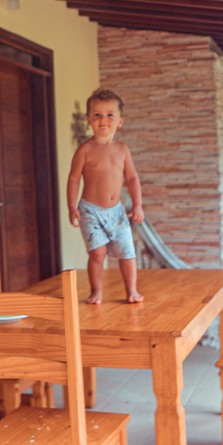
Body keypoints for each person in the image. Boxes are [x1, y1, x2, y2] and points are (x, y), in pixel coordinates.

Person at [66, 87, 145, 305]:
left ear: (120, 121)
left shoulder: (122, 149)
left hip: (117, 212)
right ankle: (96, 292)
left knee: (127, 252)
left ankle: (131, 291)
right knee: (97, 253)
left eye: (110, 114)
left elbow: (132, 178)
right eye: (97, 115)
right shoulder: (85, 150)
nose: (104, 119)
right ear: (88, 120)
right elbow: (73, 179)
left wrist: (137, 205)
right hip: (90, 211)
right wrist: (72, 207)